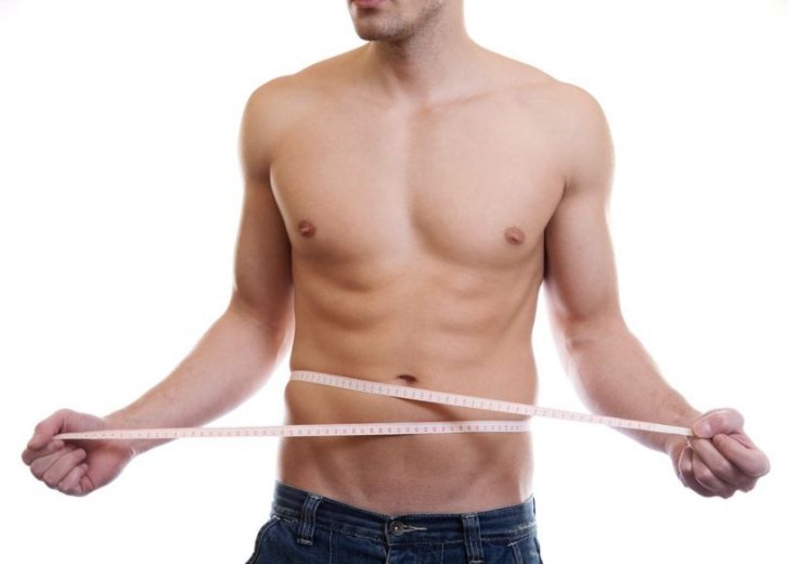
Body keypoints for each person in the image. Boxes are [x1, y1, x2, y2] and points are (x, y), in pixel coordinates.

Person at [22, 1, 770, 562]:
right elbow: (253, 323)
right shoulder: (282, 112)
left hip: (483, 541)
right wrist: (128, 433)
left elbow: (591, 332)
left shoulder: (560, 122)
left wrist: (680, 433)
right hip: (310, 532)